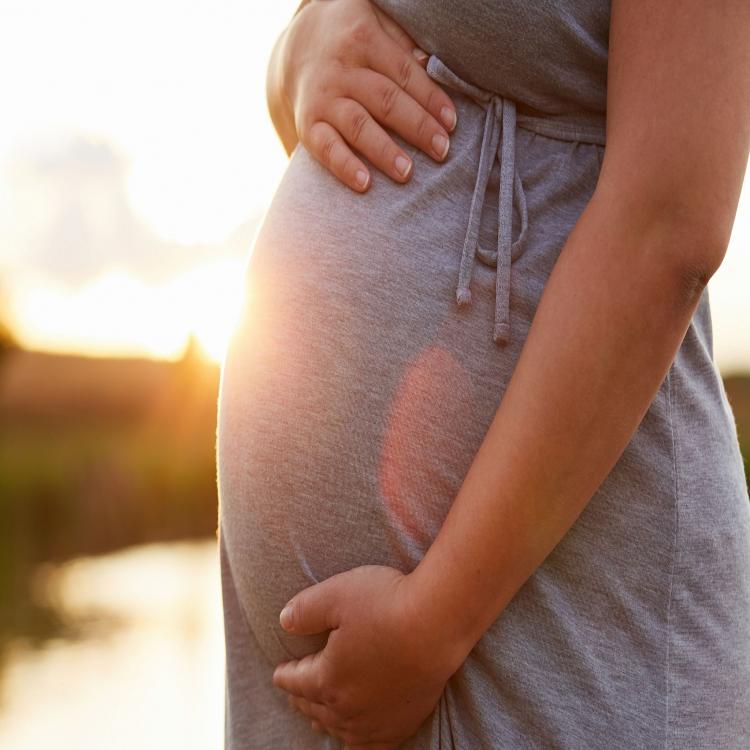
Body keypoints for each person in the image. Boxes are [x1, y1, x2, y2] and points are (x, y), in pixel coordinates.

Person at [216, 0, 750, 747]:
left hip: (551, 633)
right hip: (321, 690)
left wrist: (432, 624)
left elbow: (672, 218)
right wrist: (295, 58)